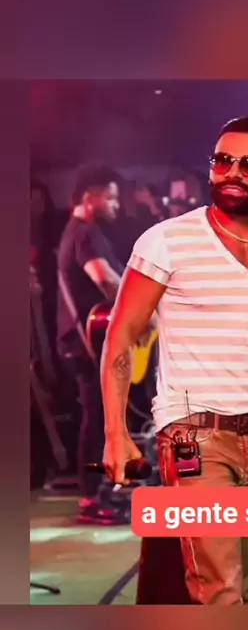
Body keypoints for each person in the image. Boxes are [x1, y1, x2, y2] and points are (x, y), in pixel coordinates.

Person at [101, 116, 248, 604]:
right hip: (194, 438)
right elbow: (120, 337)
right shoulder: (167, 240)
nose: (232, 172)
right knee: (222, 591)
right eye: (223, 161)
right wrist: (116, 433)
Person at [56, 162, 129, 524]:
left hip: (86, 340)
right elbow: (106, 280)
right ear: (90, 197)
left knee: (100, 416)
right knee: (96, 417)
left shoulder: (79, 232)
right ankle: (90, 497)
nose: (116, 204)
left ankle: (101, 491)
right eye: (111, 198)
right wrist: (142, 310)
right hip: (85, 342)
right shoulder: (85, 233)